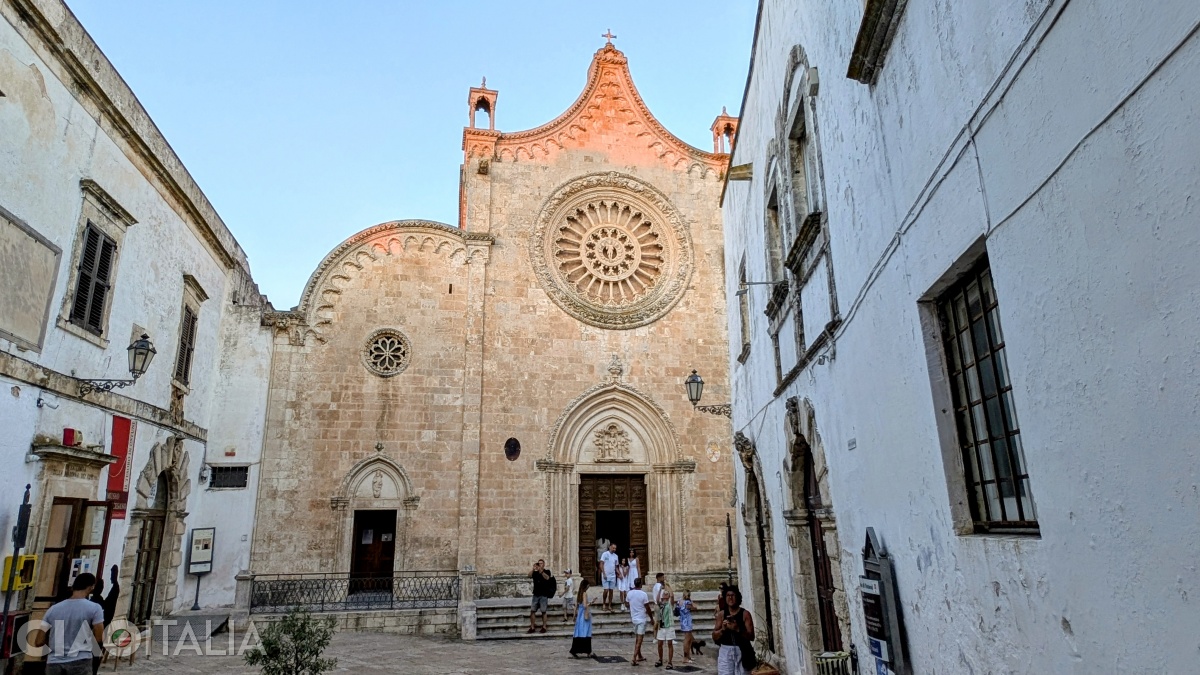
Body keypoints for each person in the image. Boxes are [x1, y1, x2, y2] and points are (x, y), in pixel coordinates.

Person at [34, 573, 104, 675]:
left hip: (54, 662)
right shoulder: (94, 608)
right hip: (81, 660)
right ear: (91, 587)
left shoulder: (52, 610)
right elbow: (99, 637)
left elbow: (38, 641)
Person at [713, 585, 756, 675]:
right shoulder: (721, 615)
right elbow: (714, 636)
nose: (730, 598)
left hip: (742, 651)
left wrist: (738, 629)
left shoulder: (745, 614)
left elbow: (751, 636)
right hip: (726, 652)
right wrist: (723, 630)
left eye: (733, 595)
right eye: (728, 595)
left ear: (737, 597)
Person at [626, 577, 653, 666]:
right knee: (640, 639)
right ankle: (634, 658)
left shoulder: (629, 593)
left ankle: (639, 655)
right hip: (641, 618)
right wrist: (651, 618)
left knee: (637, 638)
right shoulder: (643, 594)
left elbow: (627, 603)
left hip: (634, 618)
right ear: (641, 584)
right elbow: (647, 607)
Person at [569, 579, 595, 658]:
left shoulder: (579, 593)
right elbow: (584, 605)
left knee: (579, 632)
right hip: (584, 615)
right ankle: (588, 651)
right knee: (586, 632)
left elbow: (576, 605)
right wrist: (591, 602)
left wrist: (574, 616)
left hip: (579, 615)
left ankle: (576, 650)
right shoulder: (584, 593)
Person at [528, 559, 555, 634]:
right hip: (536, 594)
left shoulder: (547, 572)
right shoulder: (535, 573)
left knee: (543, 611)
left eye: (541, 563)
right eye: (538, 563)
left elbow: (547, 578)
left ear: (544, 564)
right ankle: (532, 627)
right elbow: (529, 575)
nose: (540, 565)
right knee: (532, 611)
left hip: (544, 594)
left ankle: (544, 627)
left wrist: (541, 571)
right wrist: (533, 569)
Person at [655, 586, 676, 669]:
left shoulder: (670, 604)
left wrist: (668, 587)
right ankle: (660, 659)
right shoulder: (661, 604)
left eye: (666, 594)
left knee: (670, 644)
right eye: (664, 593)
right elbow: (657, 599)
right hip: (662, 626)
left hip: (669, 626)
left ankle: (670, 662)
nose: (665, 594)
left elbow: (672, 596)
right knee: (660, 644)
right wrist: (660, 589)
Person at [598, 543, 619, 611]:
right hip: (605, 575)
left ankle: (609, 605)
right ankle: (604, 603)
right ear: (610, 547)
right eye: (613, 548)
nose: (614, 549)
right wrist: (603, 573)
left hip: (613, 576)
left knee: (611, 591)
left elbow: (616, 567)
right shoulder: (605, 554)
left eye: (615, 548)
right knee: (606, 590)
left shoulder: (616, 556)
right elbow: (601, 564)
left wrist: (619, 573)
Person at [679, 590, 697, 664]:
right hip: (687, 621)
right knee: (687, 640)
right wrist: (691, 601)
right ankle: (685, 657)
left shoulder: (680, 601)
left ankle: (688, 656)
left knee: (689, 639)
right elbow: (695, 607)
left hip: (683, 620)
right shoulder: (687, 602)